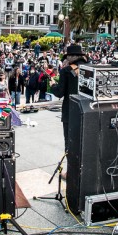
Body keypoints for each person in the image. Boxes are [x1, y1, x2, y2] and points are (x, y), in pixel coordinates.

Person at [50, 44, 89, 176]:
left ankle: (71, 172)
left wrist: (53, 85)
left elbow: (60, 92)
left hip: (70, 112)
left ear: (71, 57)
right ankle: (85, 170)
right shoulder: (89, 68)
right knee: (85, 141)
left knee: (70, 143)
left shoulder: (66, 71)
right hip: (88, 111)